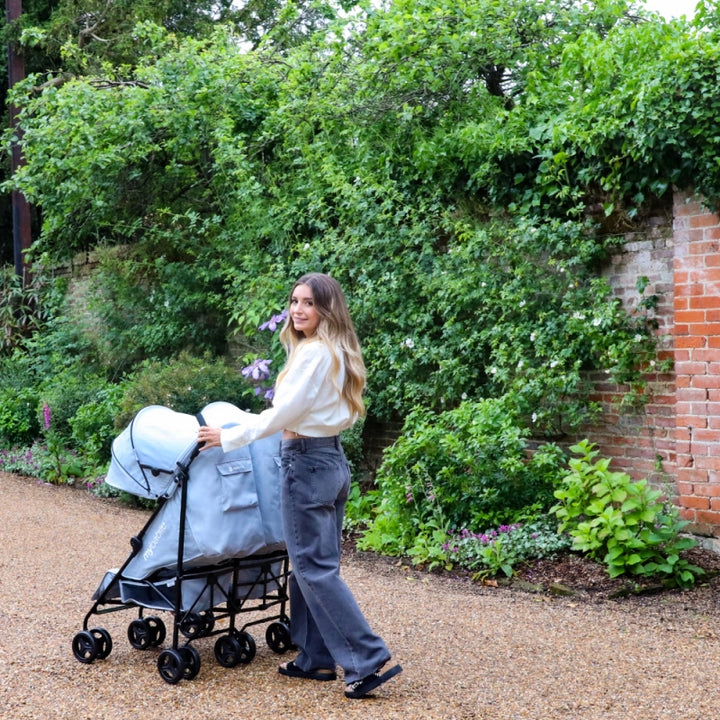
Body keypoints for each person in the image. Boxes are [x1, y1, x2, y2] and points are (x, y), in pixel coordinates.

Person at [197, 272, 402, 699]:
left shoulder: (314, 354)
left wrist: (229, 436)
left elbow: (284, 412)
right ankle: (315, 657)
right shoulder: (334, 352)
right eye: (294, 301)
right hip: (329, 461)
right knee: (313, 564)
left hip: (306, 463)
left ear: (326, 310)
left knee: (312, 567)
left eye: (308, 303)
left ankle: (367, 657)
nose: (297, 310)